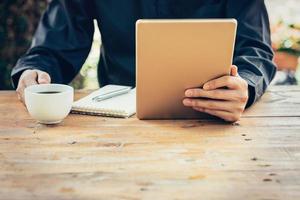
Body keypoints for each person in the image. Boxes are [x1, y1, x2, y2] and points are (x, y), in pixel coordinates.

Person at [11, 0, 276, 122]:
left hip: (212, 116)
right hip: (116, 122)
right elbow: (56, 45)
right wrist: (35, 70)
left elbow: (256, 48)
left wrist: (246, 86)